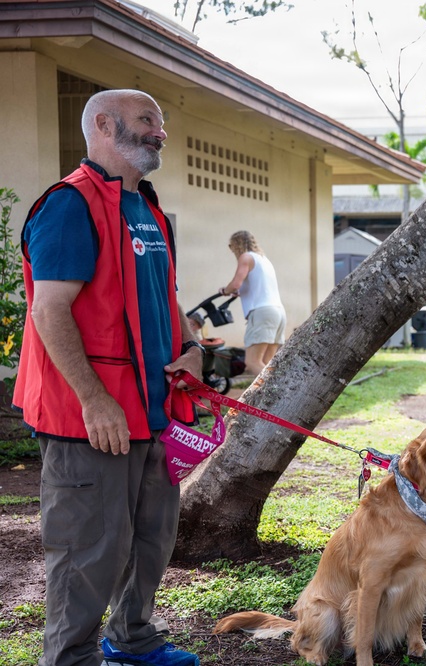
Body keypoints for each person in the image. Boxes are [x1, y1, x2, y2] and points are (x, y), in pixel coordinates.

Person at [13, 90, 204, 666]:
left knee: (151, 539)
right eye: (148, 120)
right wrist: (94, 401)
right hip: (89, 419)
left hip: (152, 413)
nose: (160, 132)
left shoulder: (145, 207)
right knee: (86, 550)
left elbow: (165, 300)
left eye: (161, 123)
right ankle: (69, 659)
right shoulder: (69, 205)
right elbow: (49, 311)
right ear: (103, 124)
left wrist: (192, 348)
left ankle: (132, 640)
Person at [219, 230, 286, 376]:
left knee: (252, 362)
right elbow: (257, 286)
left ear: (236, 245)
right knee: (267, 363)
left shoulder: (245, 257)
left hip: (262, 312)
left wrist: (225, 290)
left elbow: (236, 284)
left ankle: (279, 393)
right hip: (278, 313)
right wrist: (240, 291)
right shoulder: (263, 259)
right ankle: (274, 396)